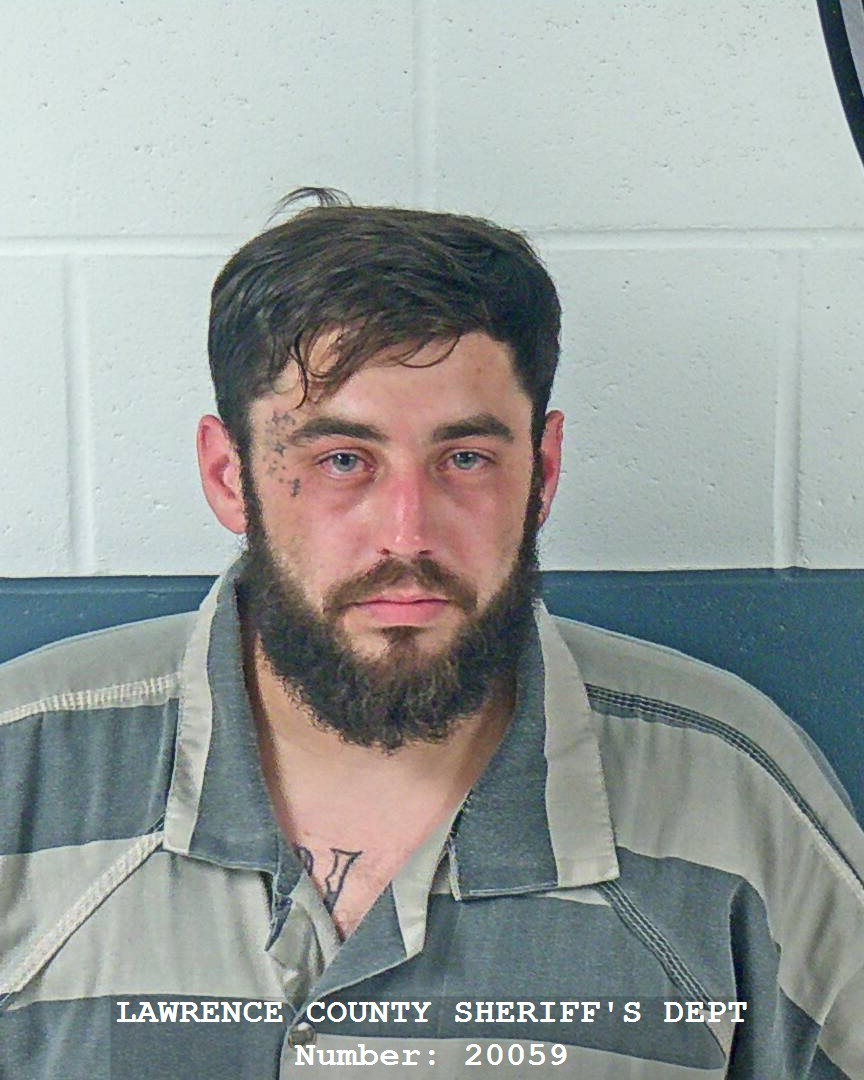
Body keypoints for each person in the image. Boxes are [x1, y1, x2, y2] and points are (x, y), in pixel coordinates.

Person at [1, 190, 862, 1080]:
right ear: (229, 476)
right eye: (343, 460)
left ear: (543, 472)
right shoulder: (21, 766)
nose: (407, 533)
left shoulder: (732, 791)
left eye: (465, 459)